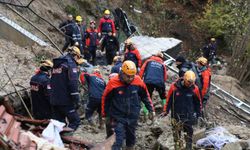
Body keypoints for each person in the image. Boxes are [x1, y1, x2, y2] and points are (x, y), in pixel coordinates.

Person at [102, 60, 155, 150]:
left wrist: (151, 110)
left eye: (132, 76)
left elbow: (145, 96)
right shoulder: (113, 83)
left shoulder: (138, 81)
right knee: (117, 140)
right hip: (118, 116)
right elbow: (105, 99)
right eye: (128, 76)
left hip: (133, 116)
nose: (130, 79)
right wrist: (105, 115)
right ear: (122, 73)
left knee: (131, 139)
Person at [162, 71, 202, 150]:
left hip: (188, 115)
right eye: (188, 82)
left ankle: (188, 148)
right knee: (176, 135)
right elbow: (168, 99)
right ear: (184, 78)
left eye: (192, 82)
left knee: (189, 134)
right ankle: (177, 148)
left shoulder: (195, 88)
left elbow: (198, 102)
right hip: (176, 114)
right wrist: (165, 110)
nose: (190, 84)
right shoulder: (174, 87)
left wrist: (198, 113)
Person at [50, 46, 86, 130]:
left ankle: (60, 141)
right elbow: (73, 83)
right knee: (75, 121)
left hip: (54, 99)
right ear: (76, 55)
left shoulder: (57, 64)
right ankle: (68, 138)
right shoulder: (70, 64)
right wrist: (76, 100)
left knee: (59, 124)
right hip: (65, 100)